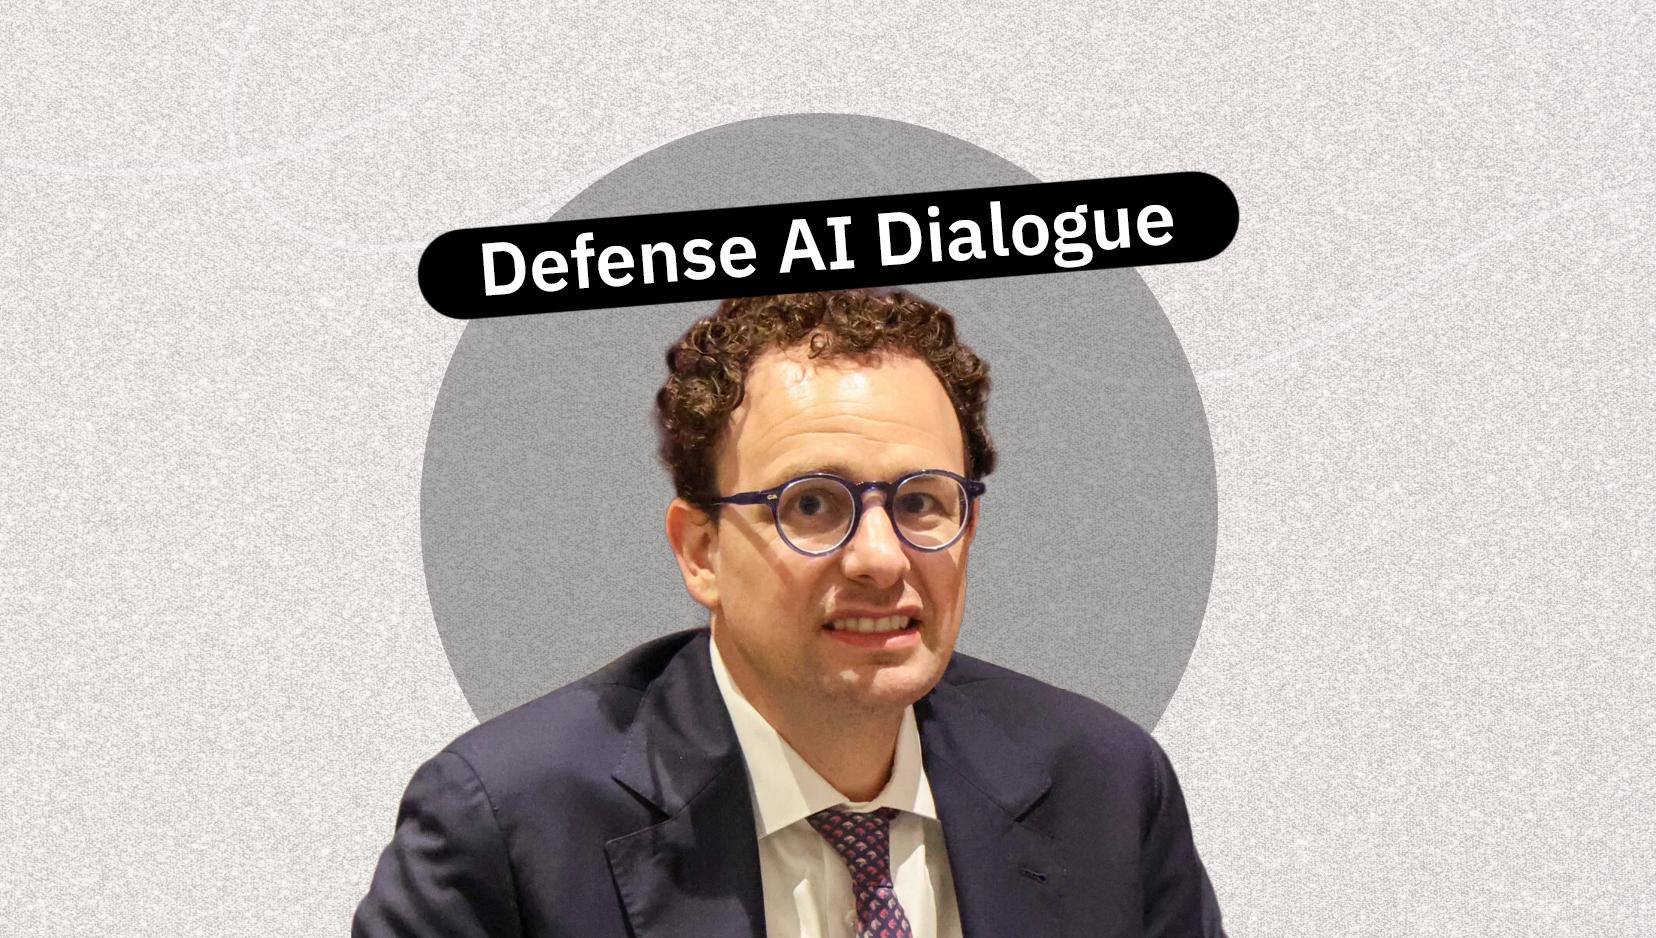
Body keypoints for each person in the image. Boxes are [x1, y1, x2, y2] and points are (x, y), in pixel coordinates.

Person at [353, 289, 1226, 937]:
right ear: (701, 552)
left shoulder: (1108, 788)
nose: (882, 558)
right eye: (812, 505)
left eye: (922, 502)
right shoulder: (504, 825)